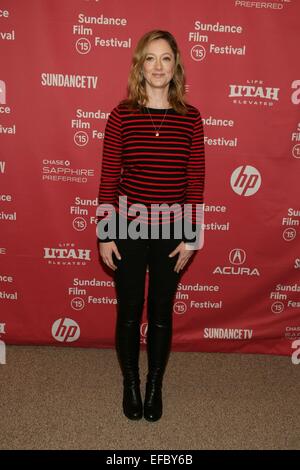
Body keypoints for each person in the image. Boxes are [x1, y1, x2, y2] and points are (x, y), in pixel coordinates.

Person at [96, 30, 205, 422]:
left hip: (172, 229)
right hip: (128, 226)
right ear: (139, 66)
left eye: (165, 58)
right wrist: (105, 233)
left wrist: (193, 235)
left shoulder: (191, 118)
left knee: (161, 311)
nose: (158, 66)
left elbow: (195, 178)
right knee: (128, 311)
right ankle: (130, 383)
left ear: (175, 65)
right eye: (150, 59)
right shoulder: (121, 115)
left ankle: (155, 384)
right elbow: (109, 178)